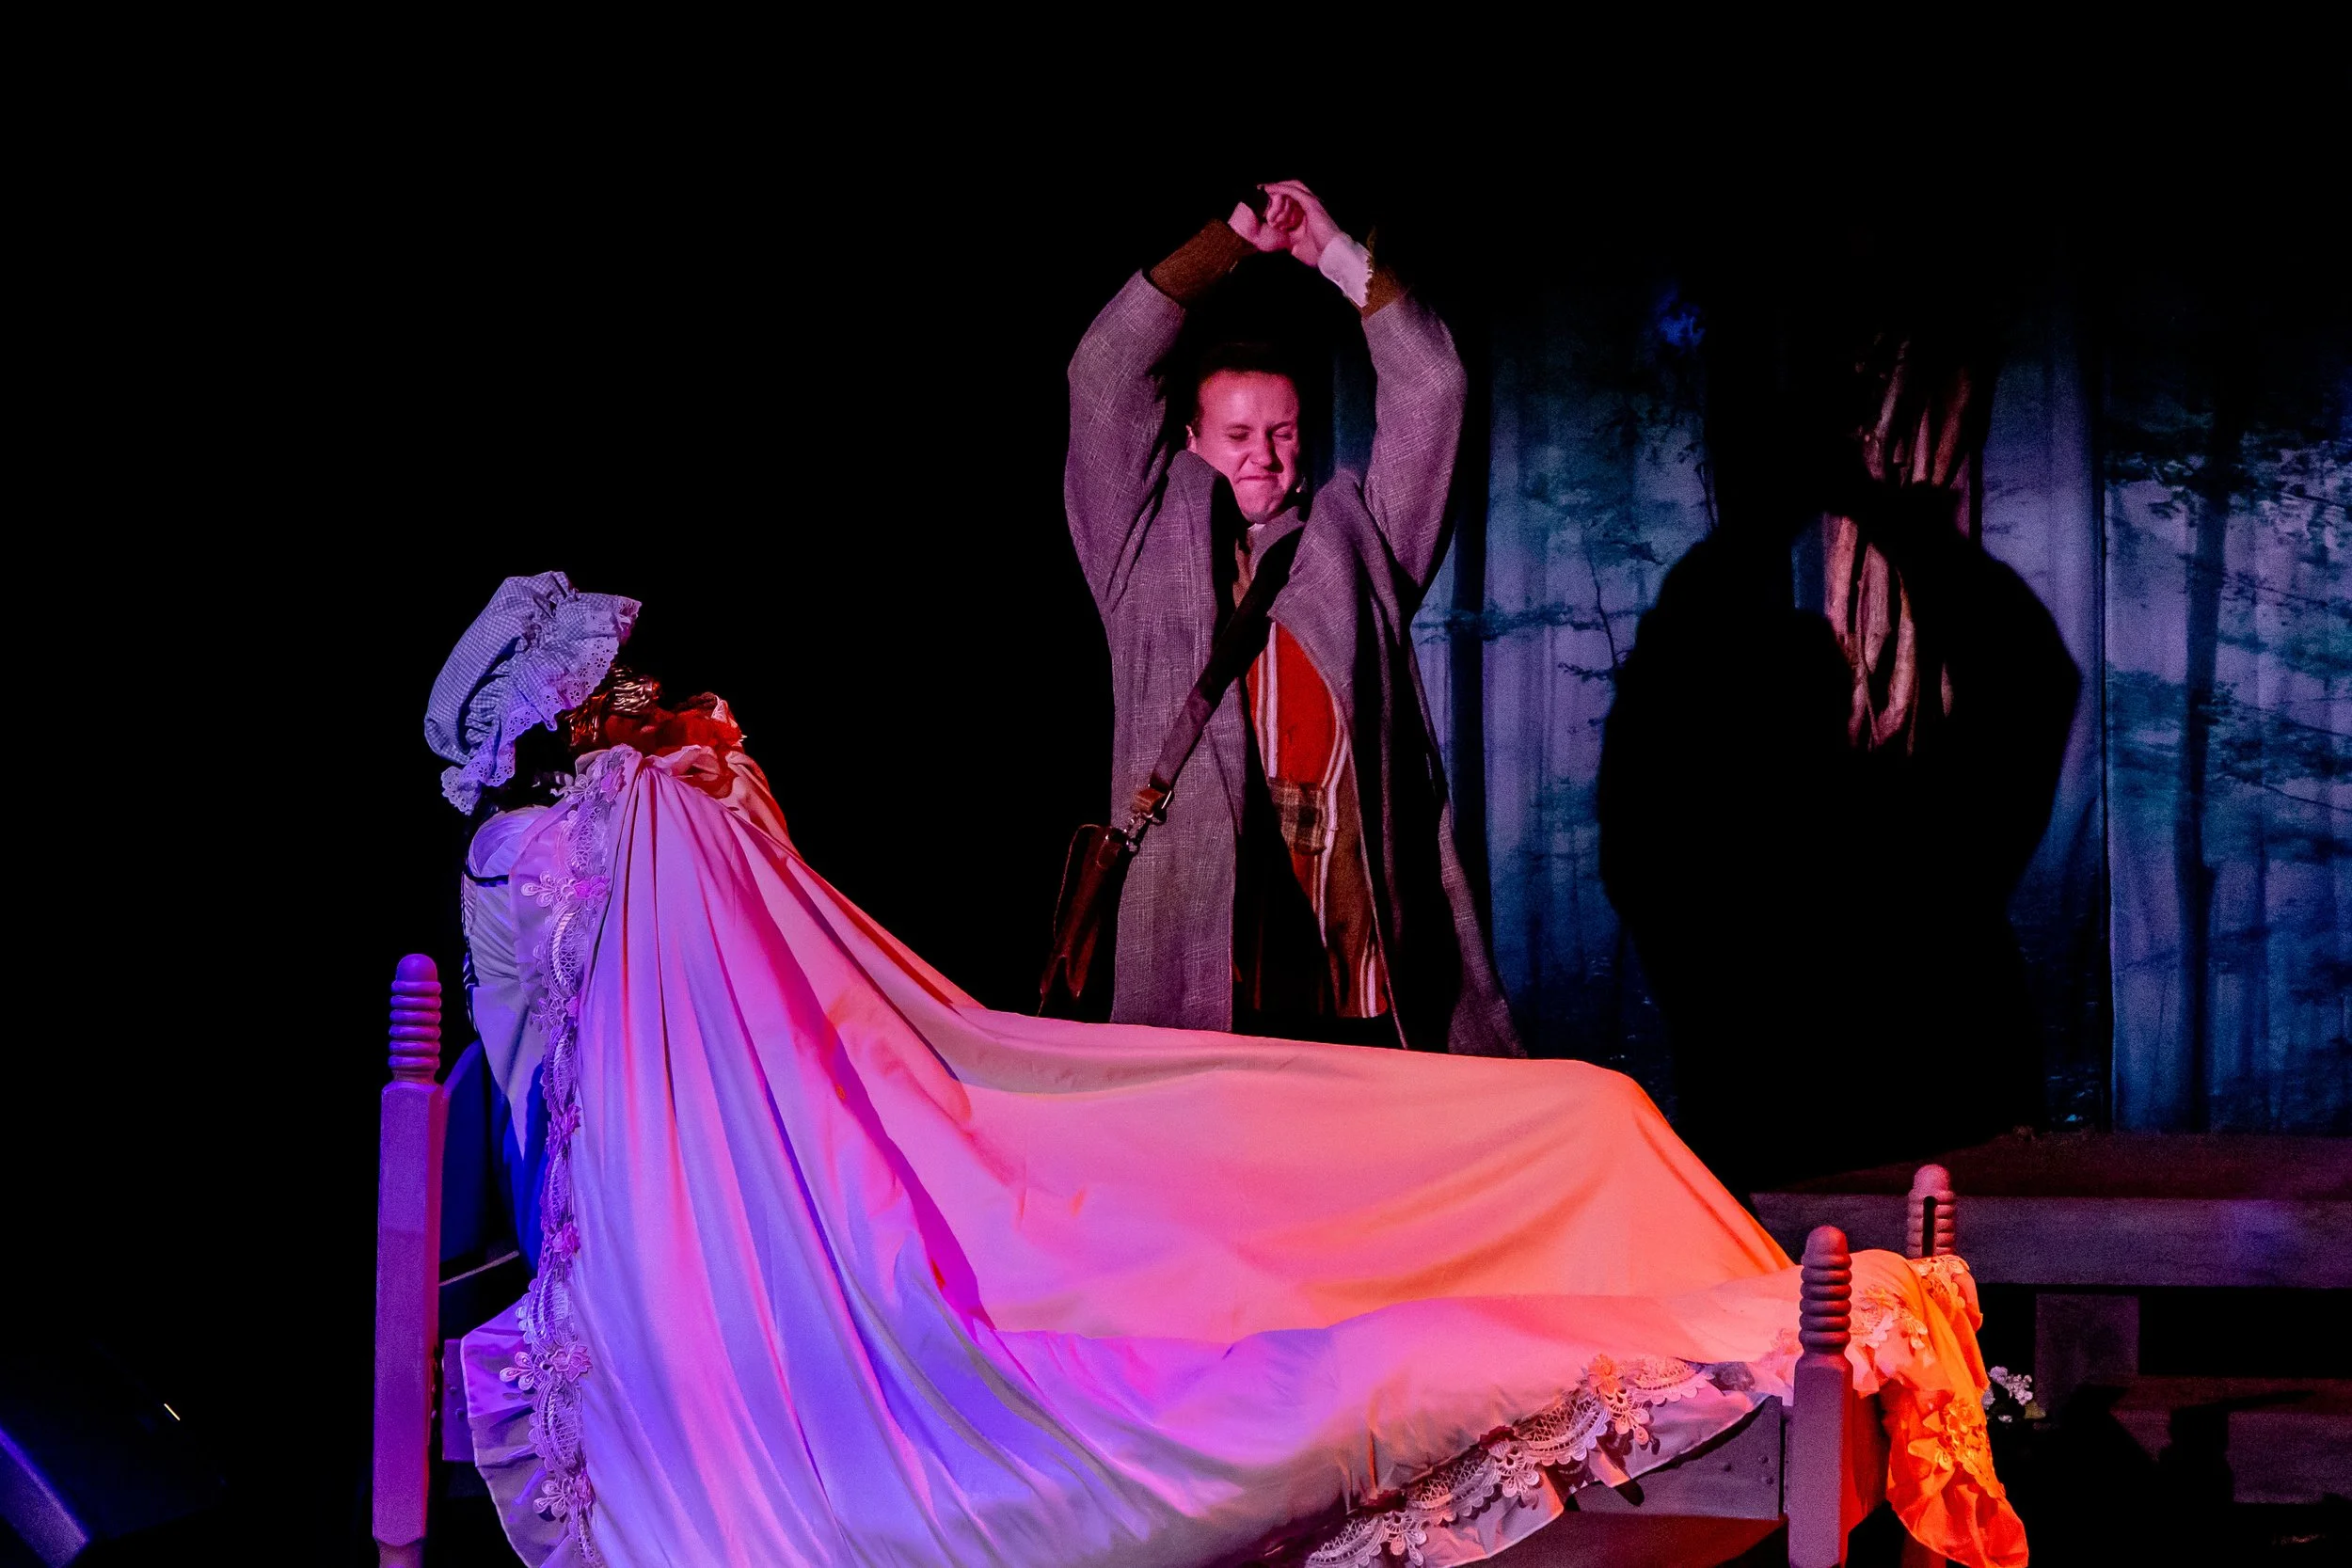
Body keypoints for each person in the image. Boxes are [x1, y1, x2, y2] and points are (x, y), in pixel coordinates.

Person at [419, 575, 2025, 1568]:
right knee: (1296, 1345)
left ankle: (1757, 1323)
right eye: (608, 698)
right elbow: (667, 957)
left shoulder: (655, 825)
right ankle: (1749, 1348)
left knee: (1570, 1115)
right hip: (897, 1183)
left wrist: (697, 761)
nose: (645, 709)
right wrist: (681, 765)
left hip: (1204, 1062)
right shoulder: (593, 847)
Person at [1064, 180, 1518, 1053]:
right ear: (1191, 441)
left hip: (1347, 955)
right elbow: (1104, 376)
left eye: (1282, 433)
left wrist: (1340, 257)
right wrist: (1225, 244)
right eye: (1238, 436)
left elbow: (1435, 390)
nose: (1264, 457)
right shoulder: (1141, 551)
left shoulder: (1358, 538)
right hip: (1204, 960)